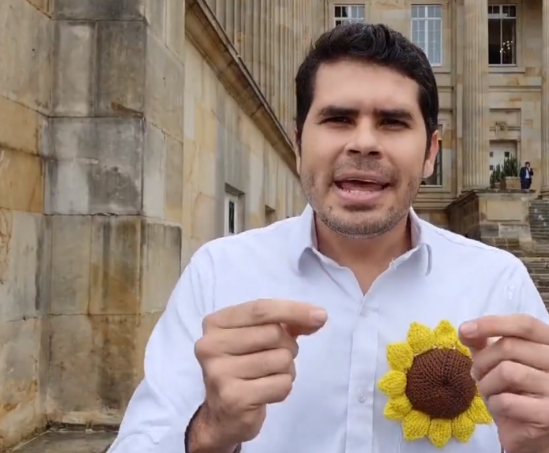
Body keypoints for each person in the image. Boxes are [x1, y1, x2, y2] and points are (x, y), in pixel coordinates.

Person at [107, 23, 549, 453]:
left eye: (392, 122)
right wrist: (207, 433)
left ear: (431, 152)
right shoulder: (220, 275)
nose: (364, 143)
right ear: (298, 143)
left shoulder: (499, 285)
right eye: (338, 119)